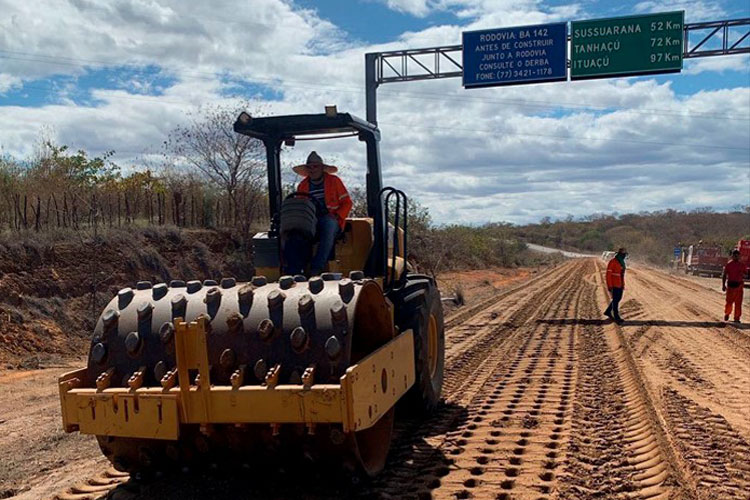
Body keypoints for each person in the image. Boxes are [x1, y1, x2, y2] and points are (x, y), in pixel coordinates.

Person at [283, 151, 352, 276]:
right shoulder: (303, 185)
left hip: (331, 219)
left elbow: (347, 203)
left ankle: (316, 268)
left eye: (315, 166)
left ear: (321, 168)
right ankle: (295, 271)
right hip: (310, 220)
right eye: (309, 167)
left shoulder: (334, 181)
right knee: (294, 234)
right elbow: (301, 206)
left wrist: (336, 215)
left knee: (328, 225)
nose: (312, 169)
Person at [722, 249, 747, 323]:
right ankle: (727, 313)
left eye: (737, 255)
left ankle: (737, 318)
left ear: (739, 256)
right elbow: (724, 275)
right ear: (732, 256)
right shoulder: (728, 265)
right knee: (729, 302)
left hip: (739, 286)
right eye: (734, 255)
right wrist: (723, 285)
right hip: (730, 286)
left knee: (738, 303)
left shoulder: (742, 265)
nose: (736, 257)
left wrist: (743, 275)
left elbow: (745, 274)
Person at [604, 248, 627, 324]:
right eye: (623, 254)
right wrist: (609, 286)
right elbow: (608, 275)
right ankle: (616, 317)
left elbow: (621, 275)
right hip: (614, 284)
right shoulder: (613, 262)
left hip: (620, 283)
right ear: (619, 254)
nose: (624, 255)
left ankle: (608, 311)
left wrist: (623, 284)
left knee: (618, 299)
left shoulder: (622, 262)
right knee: (616, 300)